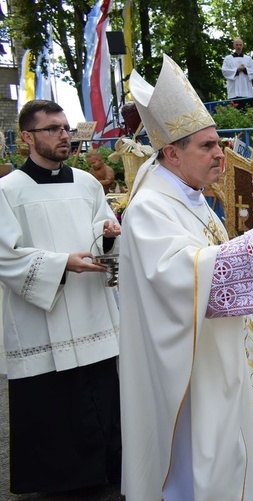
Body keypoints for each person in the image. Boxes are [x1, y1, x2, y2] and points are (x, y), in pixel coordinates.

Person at [119, 54, 253, 501]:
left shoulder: (192, 197)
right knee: (200, 461)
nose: (220, 154)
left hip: (218, 348)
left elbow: (211, 258)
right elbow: (182, 276)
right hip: (186, 366)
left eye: (219, 143)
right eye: (207, 146)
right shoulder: (149, 208)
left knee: (229, 450)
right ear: (172, 152)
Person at [0, 99, 122, 494]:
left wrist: (106, 237)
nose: (64, 135)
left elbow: (102, 232)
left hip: (90, 311)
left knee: (102, 393)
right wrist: (60, 264)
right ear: (27, 137)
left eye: (66, 128)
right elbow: (5, 255)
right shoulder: (7, 191)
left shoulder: (87, 183)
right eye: (52, 129)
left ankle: (108, 470)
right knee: (52, 403)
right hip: (41, 318)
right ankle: (58, 481)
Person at [221, 37, 253, 110]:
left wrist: (245, 70)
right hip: (234, 92)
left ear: (242, 46)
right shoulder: (228, 58)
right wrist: (237, 70)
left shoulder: (248, 59)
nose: (239, 47)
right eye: (237, 45)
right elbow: (224, 71)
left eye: (240, 45)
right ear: (234, 46)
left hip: (247, 92)